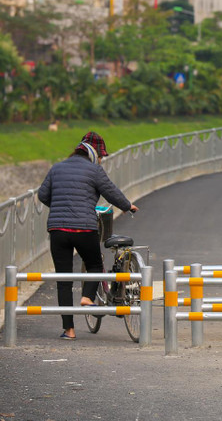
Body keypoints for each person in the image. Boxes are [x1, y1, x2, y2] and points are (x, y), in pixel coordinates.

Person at [37, 132, 138, 340]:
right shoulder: (94, 170)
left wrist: (59, 207)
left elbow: (42, 195)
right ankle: (87, 297)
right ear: (94, 154)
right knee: (94, 264)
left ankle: (69, 330)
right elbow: (111, 191)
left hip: (58, 231)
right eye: (101, 156)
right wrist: (128, 206)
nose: (101, 160)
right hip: (84, 228)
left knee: (63, 279)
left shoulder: (57, 168)